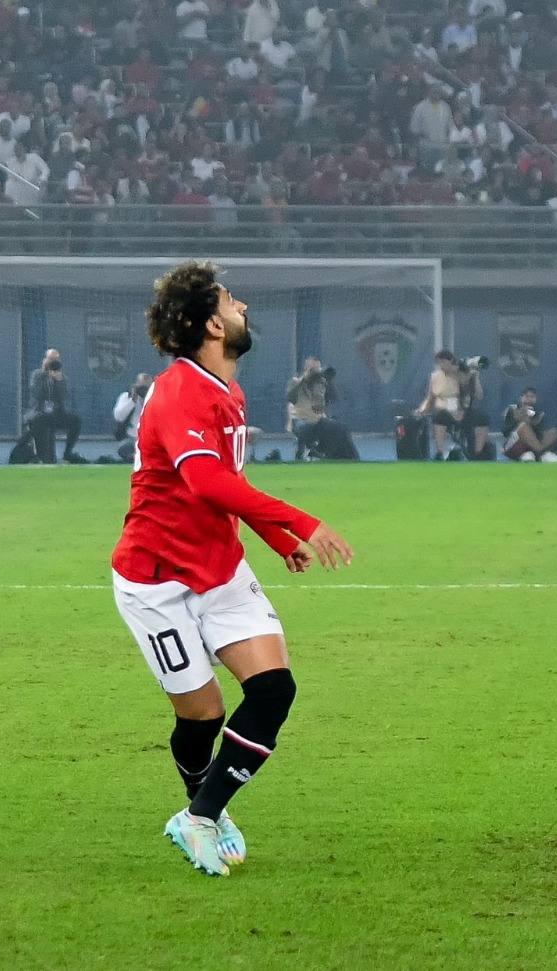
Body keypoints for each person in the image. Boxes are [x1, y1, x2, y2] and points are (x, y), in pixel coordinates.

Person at [111, 260, 353, 878]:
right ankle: (203, 809)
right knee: (204, 716)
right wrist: (302, 521)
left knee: (273, 690)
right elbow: (204, 480)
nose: (243, 305)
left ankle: (200, 815)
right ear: (212, 325)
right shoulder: (178, 392)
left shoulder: (226, 390)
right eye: (230, 300)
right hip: (156, 581)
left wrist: (273, 537)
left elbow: (229, 483)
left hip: (220, 569)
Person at [418, 350, 490, 460]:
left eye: (443, 362)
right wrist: (421, 410)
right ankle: (439, 453)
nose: (441, 365)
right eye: (439, 363)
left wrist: (475, 377)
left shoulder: (463, 375)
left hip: (463, 410)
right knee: (440, 417)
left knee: (482, 417)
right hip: (445, 410)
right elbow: (430, 398)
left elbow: (479, 396)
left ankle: (478, 453)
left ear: (451, 361)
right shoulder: (435, 376)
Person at [25, 348, 85, 463]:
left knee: (76, 421)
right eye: (51, 359)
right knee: (37, 420)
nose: (53, 362)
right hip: (39, 412)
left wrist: (58, 381)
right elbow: (37, 394)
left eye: (55, 360)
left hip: (56, 414)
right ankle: (39, 455)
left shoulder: (62, 378)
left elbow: (65, 397)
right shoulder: (37, 375)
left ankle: (67, 453)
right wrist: (46, 376)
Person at [285, 357, 334, 460]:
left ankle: (319, 451)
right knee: (304, 428)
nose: (316, 372)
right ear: (306, 369)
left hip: (317, 419)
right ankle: (301, 452)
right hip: (300, 419)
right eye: (313, 369)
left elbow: (324, 403)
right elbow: (290, 398)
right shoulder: (296, 381)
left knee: (334, 427)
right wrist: (302, 380)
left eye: (318, 369)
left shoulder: (321, 383)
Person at [502, 386, 557, 462]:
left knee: (554, 431)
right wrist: (519, 419)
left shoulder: (539, 414)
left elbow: (540, 434)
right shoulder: (512, 409)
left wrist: (532, 422)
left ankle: (541, 453)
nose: (529, 399)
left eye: (532, 396)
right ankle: (542, 454)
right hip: (515, 443)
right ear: (521, 398)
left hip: (533, 443)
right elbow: (505, 432)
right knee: (524, 427)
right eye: (527, 396)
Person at [112, 372, 153, 463]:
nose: (144, 390)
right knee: (124, 447)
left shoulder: (159, 397)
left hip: (153, 440)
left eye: (147, 387)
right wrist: (133, 399)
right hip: (133, 438)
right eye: (142, 386)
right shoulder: (126, 397)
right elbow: (118, 416)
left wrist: (151, 397)